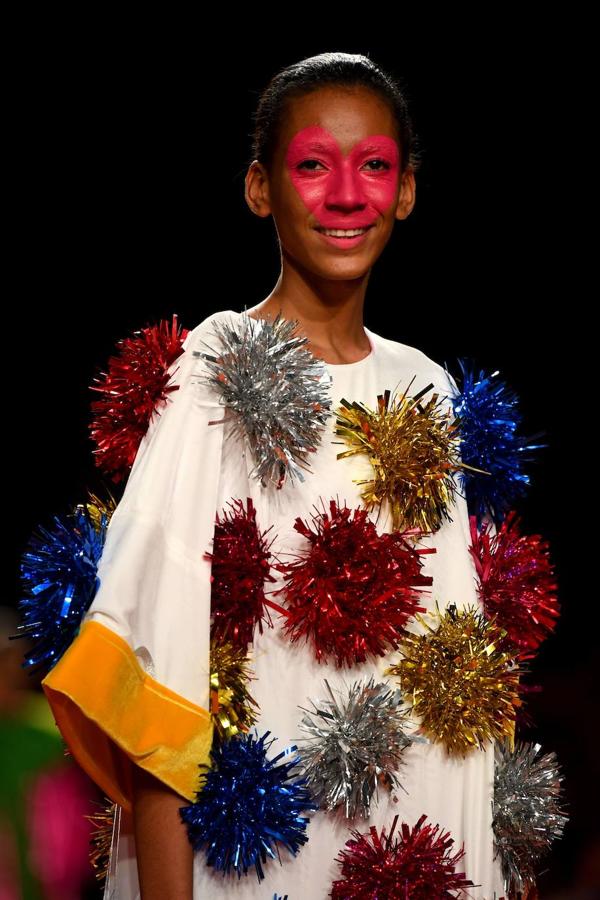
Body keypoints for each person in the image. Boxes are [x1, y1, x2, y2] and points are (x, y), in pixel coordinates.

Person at [41, 52, 508, 898]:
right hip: (249, 863)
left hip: (414, 850)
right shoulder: (215, 368)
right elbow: (159, 669)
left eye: (373, 166)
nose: (344, 195)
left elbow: (457, 683)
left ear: (405, 192)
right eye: (311, 166)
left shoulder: (427, 391)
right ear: (261, 187)